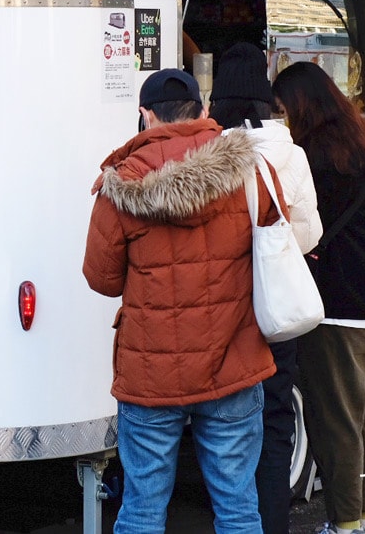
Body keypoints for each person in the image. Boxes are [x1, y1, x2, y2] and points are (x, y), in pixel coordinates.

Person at [83, 68, 276, 534]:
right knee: (238, 509)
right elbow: (279, 240)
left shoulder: (120, 186)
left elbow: (103, 279)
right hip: (235, 362)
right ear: (204, 112)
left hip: (151, 376)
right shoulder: (250, 169)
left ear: (145, 116)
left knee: (142, 511)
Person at [271, 61, 365, 534]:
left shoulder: (313, 156)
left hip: (339, 309)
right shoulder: (363, 144)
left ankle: (345, 524)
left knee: (337, 426)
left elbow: (305, 232)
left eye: (283, 109)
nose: (281, 119)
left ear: (300, 105)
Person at [209, 43, 322, 534]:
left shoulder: (208, 152)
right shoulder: (289, 152)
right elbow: (309, 234)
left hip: (222, 307)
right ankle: (271, 523)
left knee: (222, 425)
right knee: (276, 418)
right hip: (274, 307)